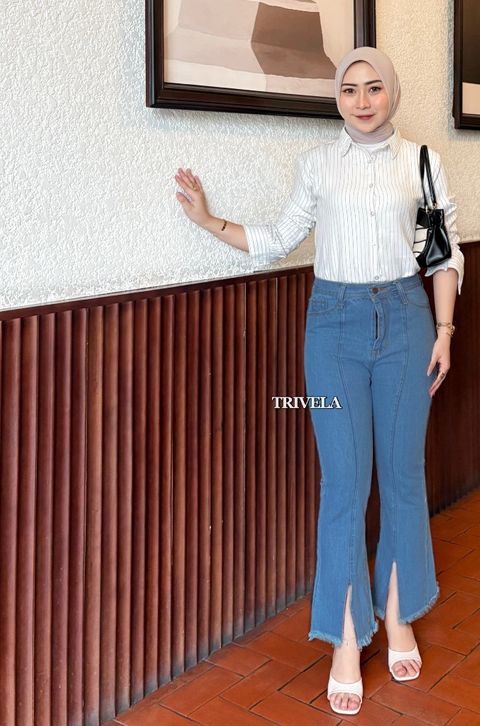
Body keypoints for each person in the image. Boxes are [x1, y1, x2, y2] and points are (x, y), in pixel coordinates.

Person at [174, 46, 464, 717]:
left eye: (374, 87)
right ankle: (345, 637)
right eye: (349, 89)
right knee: (343, 484)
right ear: (337, 99)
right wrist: (208, 221)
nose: (362, 100)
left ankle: (397, 616)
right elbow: (279, 237)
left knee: (402, 476)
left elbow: (444, 251)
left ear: (392, 93)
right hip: (332, 329)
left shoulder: (422, 162)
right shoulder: (317, 166)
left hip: (408, 321)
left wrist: (445, 331)